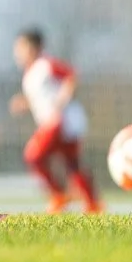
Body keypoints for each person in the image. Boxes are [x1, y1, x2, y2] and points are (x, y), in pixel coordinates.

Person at [10, 28, 101, 215]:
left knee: (34, 156)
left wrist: (63, 97)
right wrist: (24, 103)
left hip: (59, 121)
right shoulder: (30, 74)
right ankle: (93, 204)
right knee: (72, 164)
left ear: (34, 47)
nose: (17, 53)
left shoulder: (45, 64)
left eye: (20, 47)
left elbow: (70, 75)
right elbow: (42, 97)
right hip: (62, 122)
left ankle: (59, 196)